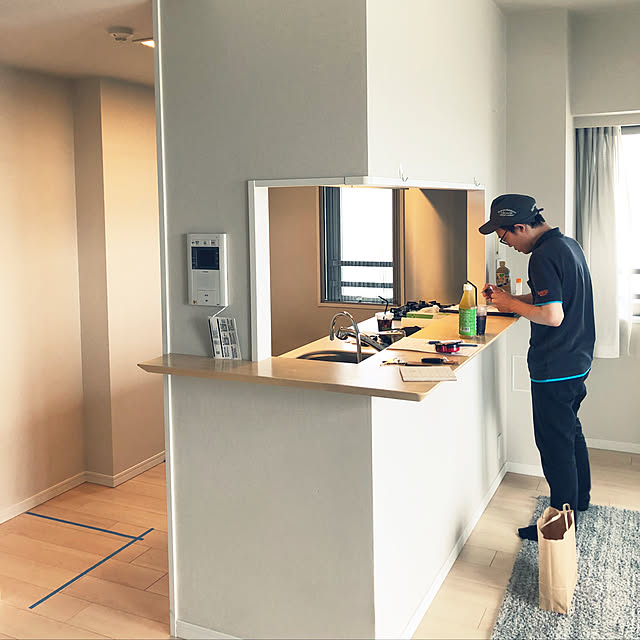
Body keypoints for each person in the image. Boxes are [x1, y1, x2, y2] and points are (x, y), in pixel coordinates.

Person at [479, 194, 595, 542]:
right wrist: (510, 301)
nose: (509, 245)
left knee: (554, 446)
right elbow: (553, 299)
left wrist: (511, 303)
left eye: (505, 237)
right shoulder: (568, 245)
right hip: (577, 359)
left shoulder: (542, 256)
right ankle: (579, 500)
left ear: (520, 226)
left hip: (554, 366)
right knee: (569, 431)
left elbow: (552, 316)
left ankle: (560, 525)